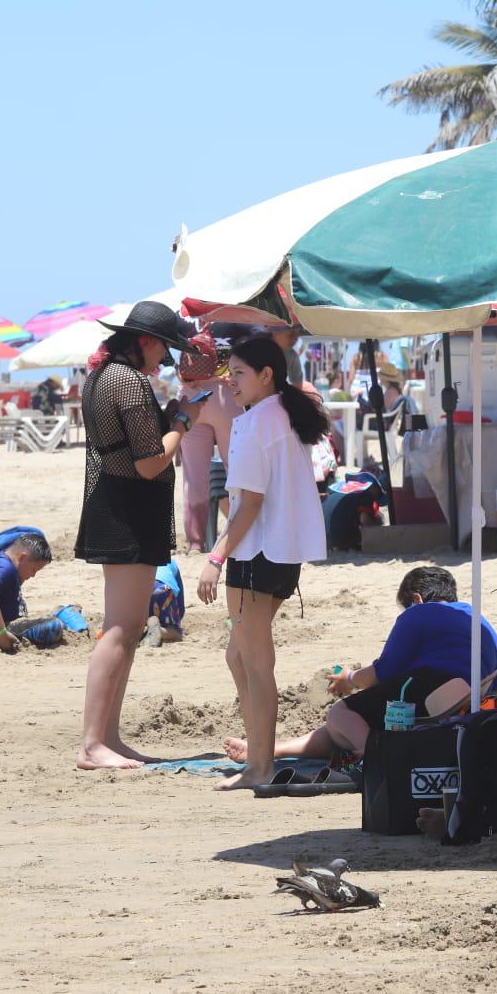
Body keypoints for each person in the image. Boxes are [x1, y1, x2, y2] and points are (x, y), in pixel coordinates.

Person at [74, 300, 205, 770]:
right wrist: (182, 422)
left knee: (124, 630)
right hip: (128, 509)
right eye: (164, 350)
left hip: (118, 505)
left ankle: (107, 737)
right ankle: (93, 743)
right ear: (145, 341)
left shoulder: (106, 375)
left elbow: (134, 451)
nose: (166, 360)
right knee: (120, 630)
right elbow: (151, 463)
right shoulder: (127, 381)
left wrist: (170, 418)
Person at [197, 335, 330, 791]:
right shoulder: (286, 415)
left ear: (265, 374)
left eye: (237, 373)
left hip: (255, 553)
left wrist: (215, 556)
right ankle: (258, 757)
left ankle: (260, 767)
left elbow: (248, 503)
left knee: (255, 662)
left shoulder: (255, 422)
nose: (229, 382)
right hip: (283, 556)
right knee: (239, 655)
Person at [225, 566, 497, 767]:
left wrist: (349, 678)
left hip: (432, 687)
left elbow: (382, 673)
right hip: (471, 699)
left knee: (341, 714)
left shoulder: (420, 613)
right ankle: (270, 750)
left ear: (416, 598)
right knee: (350, 725)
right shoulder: (478, 619)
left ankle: (377, 760)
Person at [174, 329, 245, 552]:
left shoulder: (185, 326)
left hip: (190, 393)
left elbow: (177, 367)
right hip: (227, 395)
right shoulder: (238, 322)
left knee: (193, 478)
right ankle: (242, 533)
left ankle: (196, 542)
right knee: (237, 471)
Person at [0, 533, 55, 651]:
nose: (33, 575)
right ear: (22, 557)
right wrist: (1, 634)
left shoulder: (6, 563)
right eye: (34, 569)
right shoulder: (4, 567)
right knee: (55, 626)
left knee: (53, 618)